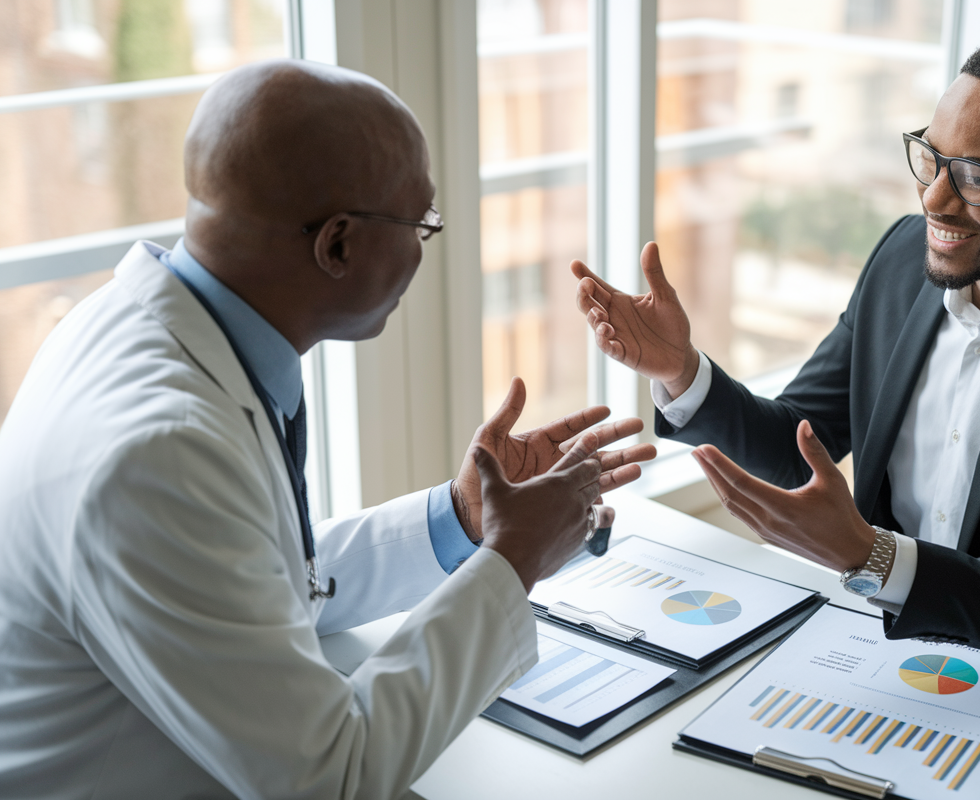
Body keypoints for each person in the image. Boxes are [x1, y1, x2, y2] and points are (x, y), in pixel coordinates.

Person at [0, 60, 654, 799]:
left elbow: (254, 583)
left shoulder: (136, 327)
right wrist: (516, 558)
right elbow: (330, 780)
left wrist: (463, 519)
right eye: (422, 225)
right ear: (337, 244)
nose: (421, 251)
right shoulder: (161, 454)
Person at [572, 26, 980, 694]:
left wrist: (873, 556)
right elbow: (801, 441)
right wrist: (680, 369)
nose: (935, 199)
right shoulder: (902, 262)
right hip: (897, 660)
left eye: (976, 177)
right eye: (930, 157)